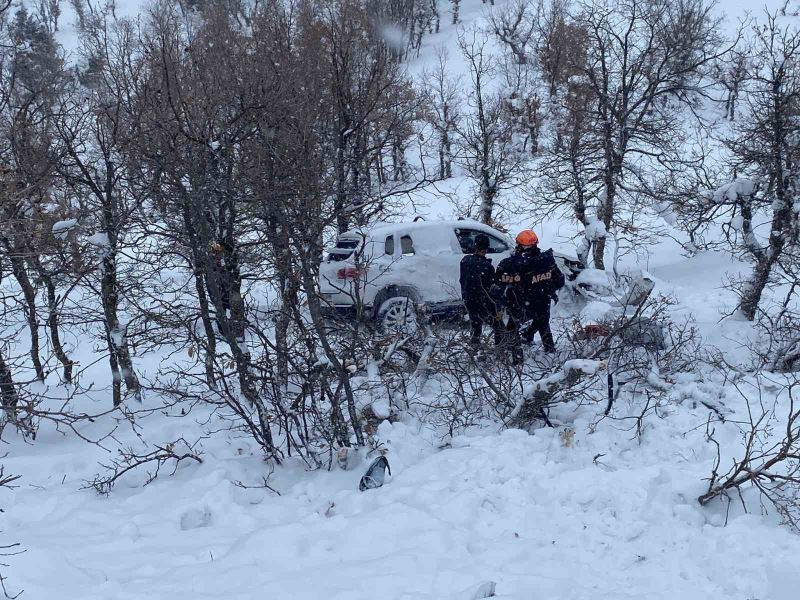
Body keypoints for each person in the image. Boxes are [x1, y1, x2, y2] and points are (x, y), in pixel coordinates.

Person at [494, 229, 565, 363]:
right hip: (543, 301)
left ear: (519, 245)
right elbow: (560, 281)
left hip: (519, 303)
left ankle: (518, 359)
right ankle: (550, 351)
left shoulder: (510, 264)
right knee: (543, 324)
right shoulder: (547, 260)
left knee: (512, 328)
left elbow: (498, 283)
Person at [459, 234, 501, 348]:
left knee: (476, 325)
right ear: (487, 248)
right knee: (498, 325)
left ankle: (475, 348)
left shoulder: (465, 261)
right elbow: (490, 289)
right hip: (483, 302)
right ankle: (500, 349)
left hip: (468, 299)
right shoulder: (487, 267)